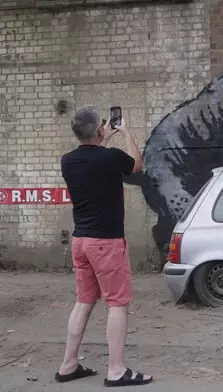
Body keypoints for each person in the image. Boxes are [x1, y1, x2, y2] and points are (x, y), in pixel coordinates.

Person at [55, 106, 153, 387]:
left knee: (84, 301)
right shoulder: (110, 157)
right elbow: (136, 164)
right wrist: (125, 132)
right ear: (100, 129)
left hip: (81, 242)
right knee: (118, 304)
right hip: (106, 243)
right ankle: (116, 369)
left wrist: (102, 137)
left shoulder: (67, 161)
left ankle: (68, 365)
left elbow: (92, 155)